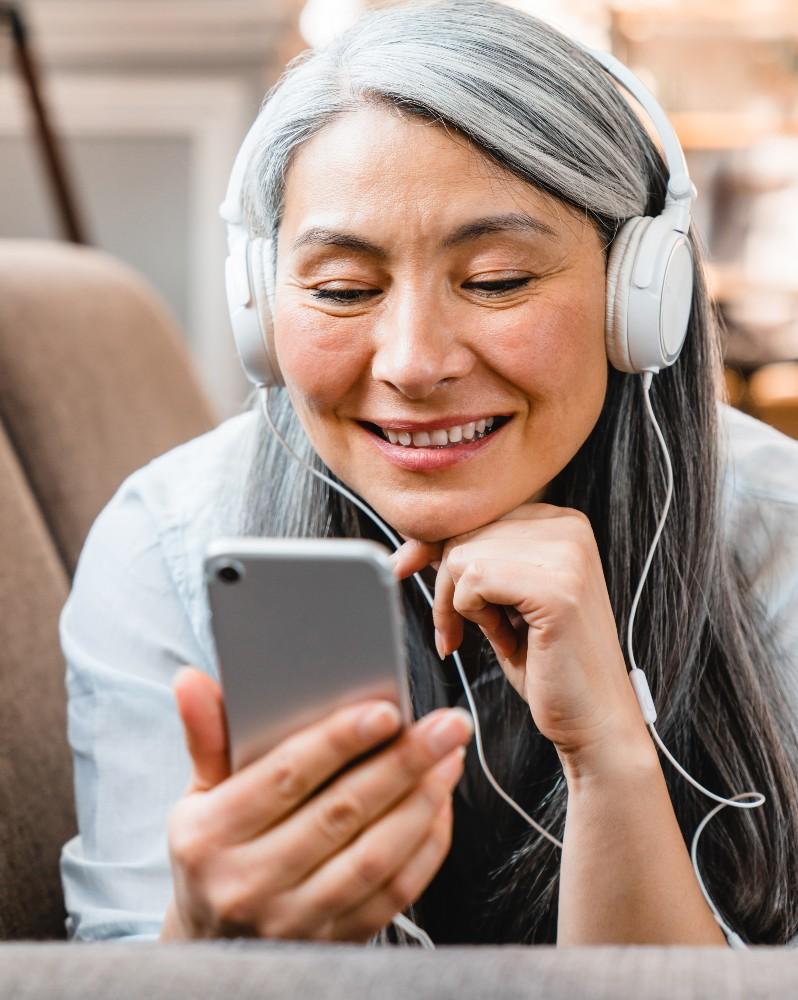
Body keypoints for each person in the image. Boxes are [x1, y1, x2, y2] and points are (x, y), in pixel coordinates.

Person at [59, 0, 798, 947]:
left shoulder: (772, 535)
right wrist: (201, 942)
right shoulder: (166, 545)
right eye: (341, 291)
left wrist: (613, 758)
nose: (412, 362)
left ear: (639, 296)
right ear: (261, 307)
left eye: (496, 281)